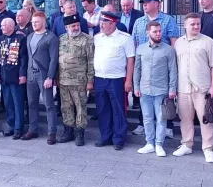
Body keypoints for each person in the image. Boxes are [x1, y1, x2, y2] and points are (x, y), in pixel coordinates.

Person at [172, 13, 213, 162]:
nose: (196, 26)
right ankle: (186, 144)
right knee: (185, 118)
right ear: (185, 25)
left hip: (202, 88)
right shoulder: (178, 43)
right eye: (192, 24)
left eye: (198, 24)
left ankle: (208, 148)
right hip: (183, 88)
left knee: (206, 119)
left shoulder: (208, 42)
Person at [131, 0, 179, 138]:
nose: (144, 5)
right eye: (143, 3)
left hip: (162, 61)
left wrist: (171, 58)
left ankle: (168, 126)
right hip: (144, 61)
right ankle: (142, 124)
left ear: (157, 4)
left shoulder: (168, 20)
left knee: (163, 97)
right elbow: (134, 42)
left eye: (147, 3)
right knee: (144, 94)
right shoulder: (139, 22)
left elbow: (173, 41)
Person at [134, 21, 177, 157]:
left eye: (159, 31)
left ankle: (159, 144)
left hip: (161, 90)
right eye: (155, 31)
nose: (158, 34)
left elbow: (173, 70)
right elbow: (137, 69)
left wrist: (172, 89)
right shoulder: (140, 48)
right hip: (145, 89)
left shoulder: (168, 49)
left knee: (161, 119)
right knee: (147, 118)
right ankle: (149, 143)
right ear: (148, 33)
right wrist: (136, 86)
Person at [93, 11, 135, 150]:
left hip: (117, 79)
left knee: (118, 109)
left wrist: (128, 80)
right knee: (103, 109)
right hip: (99, 78)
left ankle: (119, 138)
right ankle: (106, 136)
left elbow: (130, 60)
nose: (101, 25)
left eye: (104, 23)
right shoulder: (97, 38)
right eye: (101, 22)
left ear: (112, 23)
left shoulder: (125, 38)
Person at [57, 14, 95, 146]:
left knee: (80, 107)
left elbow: (91, 61)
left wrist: (90, 80)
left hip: (80, 81)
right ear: (66, 27)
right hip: (63, 81)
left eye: (77, 25)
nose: (76, 28)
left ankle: (80, 133)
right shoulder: (61, 39)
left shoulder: (87, 39)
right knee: (66, 107)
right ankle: (68, 131)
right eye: (73, 26)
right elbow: (57, 60)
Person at [22, 12, 59, 144]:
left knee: (49, 105)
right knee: (32, 104)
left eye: (36, 22)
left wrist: (50, 77)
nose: (34, 24)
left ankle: (52, 133)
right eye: (32, 22)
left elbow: (54, 59)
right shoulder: (30, 36)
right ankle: (33, 129)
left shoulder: (51, 37)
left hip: (43, 75)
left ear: (43, 22)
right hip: (30, 74)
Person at [0, 18, 28, 139]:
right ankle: (11, 126)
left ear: (11, 26)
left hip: (16, 76)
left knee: (17, 103)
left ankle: (19, 128)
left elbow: (23, 59)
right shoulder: (0, 39)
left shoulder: (20, 38)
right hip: (4, 76)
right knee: (8, 103)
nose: (1, 28)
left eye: (3, 26)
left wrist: (23, 75)